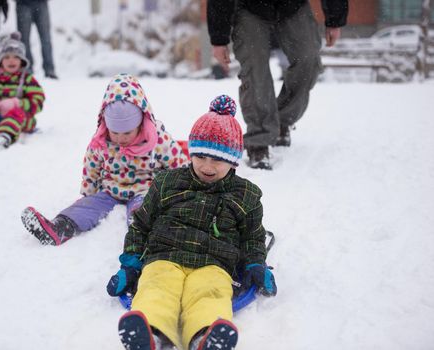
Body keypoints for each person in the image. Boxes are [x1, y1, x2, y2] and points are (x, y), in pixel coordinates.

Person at [106, 95, 277, 350]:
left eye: (217, 159)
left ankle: (204, 336)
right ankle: (152, 334)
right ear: (192, 153)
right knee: (156, 287)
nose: (207, 166)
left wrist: (255, 264)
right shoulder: (167, 183)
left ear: (232, 160)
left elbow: (253, 236)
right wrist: (130, 263)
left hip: (214, 263)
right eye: (200, 157)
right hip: (164, 256)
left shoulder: (246, 195)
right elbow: (141, 225)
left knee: (210, 293)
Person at [20, 73, 189, 246]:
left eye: (127, 133)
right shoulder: (101, 141)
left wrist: (180, 194)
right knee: (86, 207)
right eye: (114, 132)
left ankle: (144, 233)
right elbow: (91, 169)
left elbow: (179, 164)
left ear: (140, 123)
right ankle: (59, 228)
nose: (121, 138)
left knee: (144, 209)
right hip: (110, 190)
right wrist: (89, 194)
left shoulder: (157, 140)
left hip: (144, 189)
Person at [207, 0, 348, 169]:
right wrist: (219, 38)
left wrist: (335, 19)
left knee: (308, 61)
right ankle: (259, 138)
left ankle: (282, 120)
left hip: (293, 6)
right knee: (255, 68)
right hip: (249, 7)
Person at [16, 0, 57, 79]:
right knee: (23, 39)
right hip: (23, 4)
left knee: (46, 39)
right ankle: (27, 67)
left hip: (41, 3)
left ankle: (49, 69)